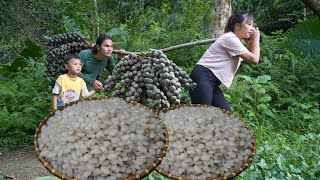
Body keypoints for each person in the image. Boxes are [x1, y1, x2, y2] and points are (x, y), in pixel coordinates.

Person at [189, 12, 260, 113]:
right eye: (249, 24)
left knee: (228, 118)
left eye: (252, 25)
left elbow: (248, 55)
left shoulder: (234, 41)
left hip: (212, 82)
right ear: (237, 26)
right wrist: (256, 39)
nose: (252, 28)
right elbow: (254, 59)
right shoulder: (230, 38)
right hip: (203, 77)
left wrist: (250, 42)